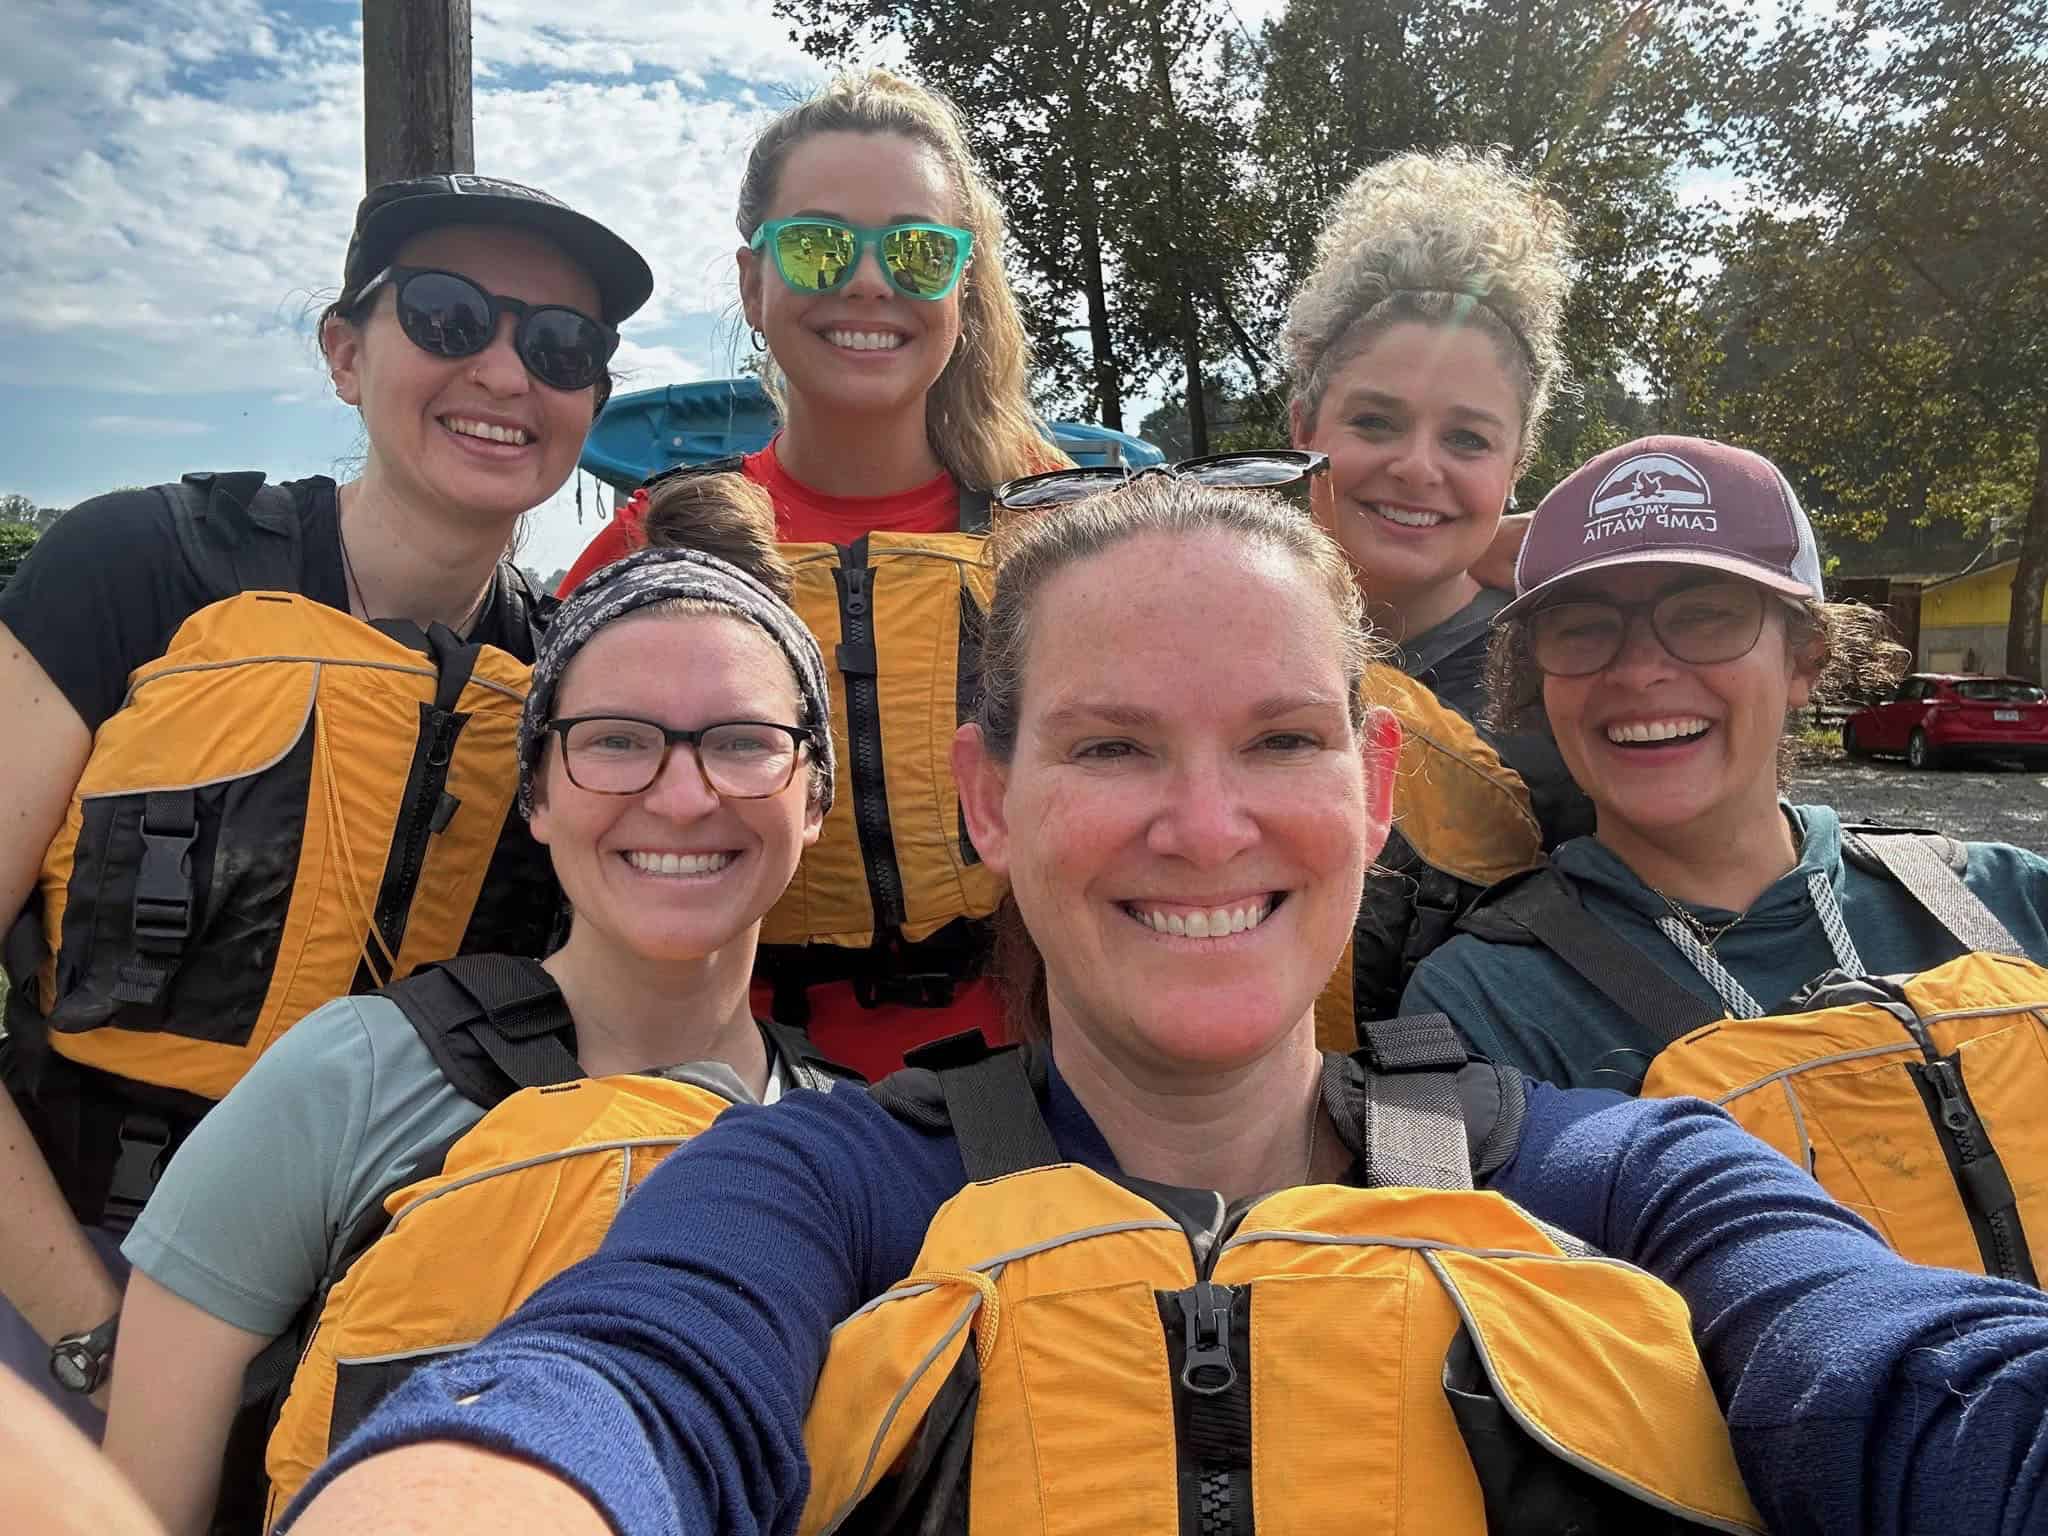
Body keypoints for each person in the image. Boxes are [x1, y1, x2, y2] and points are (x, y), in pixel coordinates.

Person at [263, 478, 2048, 1536]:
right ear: (987, 798)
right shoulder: (817, 1193)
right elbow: (615, 1381)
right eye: (1110, 746)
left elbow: (1904, 1379)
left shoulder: (1624, 1179)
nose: (1203, 828)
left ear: (1367, 784)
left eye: (1276, 742)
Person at [0, 173, 652, 1438]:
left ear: (589, 403)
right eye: (452, 317)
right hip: (82, 1270)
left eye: (562, 346)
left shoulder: (571, 680)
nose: (509, 374)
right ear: (347, 353)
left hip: (410, 1313)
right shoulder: (134, 568)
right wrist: (94, 1332)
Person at [102, 492, 857, 1536]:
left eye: (740, 743)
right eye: (616, 740)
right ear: (537, 793)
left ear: (812, 797)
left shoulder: (855, 1145)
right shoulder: (350, 1084)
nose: (682, 797)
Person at [1403, 434, 2048, 1276]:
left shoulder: (2014, 901)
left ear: (1806, 657)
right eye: (1583, 628)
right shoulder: (1476, 1005)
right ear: (1536, 682)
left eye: (1705, 614)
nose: (1638, 671)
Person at [558, 70, 1065, 1081]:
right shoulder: (652, 544)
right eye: (819, 244)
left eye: (918, 250)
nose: (869, 282)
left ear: (960, 286)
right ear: (754, 284)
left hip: (1039, 1072)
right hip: (725, 1085)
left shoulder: (1063, 527)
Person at [1283, 147, 1591, 847]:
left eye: (1468, 439)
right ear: (1305, 431)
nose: (1418, 468)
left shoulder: (1569, 689)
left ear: (1518, 464)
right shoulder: (1210, 643)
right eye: (1375, 422)